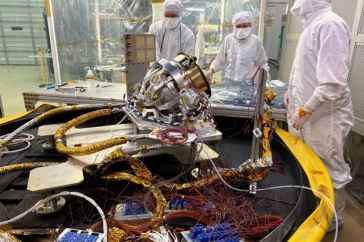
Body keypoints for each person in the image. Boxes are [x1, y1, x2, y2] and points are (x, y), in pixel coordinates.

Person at [286, 0, 353, 233]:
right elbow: (304, 71)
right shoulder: (311, 26)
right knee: (310, 164)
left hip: (326, 117)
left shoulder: (330, 24)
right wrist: (291, 94)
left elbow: (332, 83)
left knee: (330, 166)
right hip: (312, 115)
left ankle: (334, 220)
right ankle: (316, 213)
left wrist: (305, 110)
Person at [206, 11, 270, 88]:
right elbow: (219, 61)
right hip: (228, 84)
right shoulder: (228, 39)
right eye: (238, 26)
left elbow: (262, 64)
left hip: (247, 86)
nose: (241, 29)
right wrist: (210, 72)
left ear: (251, 25)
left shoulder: (255, 42)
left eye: (244, 26)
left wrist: (266, 82)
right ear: (234, 27)